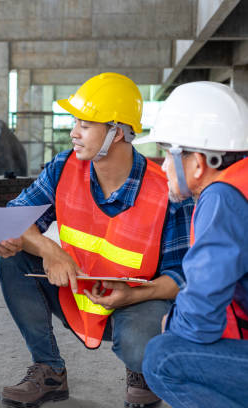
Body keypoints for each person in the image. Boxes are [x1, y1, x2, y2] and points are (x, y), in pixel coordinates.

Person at [0, 73, 195, 408]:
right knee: (14, 260)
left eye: (85, 124)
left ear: (117, 132)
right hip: (76, 290)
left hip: (137, 303)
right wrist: (48, 250)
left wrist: (132, 295)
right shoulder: (63, 167)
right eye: (75, 122)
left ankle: (141, 371)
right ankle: (49, 371)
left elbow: (181, 277)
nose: (73, 132)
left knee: (143, 348)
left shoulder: (166, 191)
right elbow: (15, 218)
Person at [138, 82, 248, 407]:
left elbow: (200, 322)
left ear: (198, 163)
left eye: (169, 155)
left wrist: (171, 322)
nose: (162, 167)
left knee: (163, 358)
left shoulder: (222, 198)